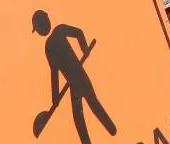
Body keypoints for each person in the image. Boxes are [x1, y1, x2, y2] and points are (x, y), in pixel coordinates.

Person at [32, 10, 116, 144]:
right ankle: (104, 133)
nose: (41, 30)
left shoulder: (58, 33)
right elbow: (54, 72)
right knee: (81, 114)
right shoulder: (49, 46)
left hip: (79, 78)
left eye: (40, 27)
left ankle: (112, 130)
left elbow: (78, 32)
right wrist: (55, 99)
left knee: (92, 105)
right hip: (74, 83)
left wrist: (85, 50)